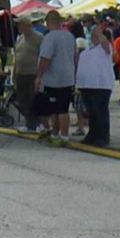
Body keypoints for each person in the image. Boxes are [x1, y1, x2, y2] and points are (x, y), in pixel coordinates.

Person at [32, 12, 77, 147]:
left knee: (54, 110)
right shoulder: (70, 36)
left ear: (47, 22)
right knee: (63, 108)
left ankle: (57, 134)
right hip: (68, 77)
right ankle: (64, 136)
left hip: (53, 78)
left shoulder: (50, 37)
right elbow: (75, 55)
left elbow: (45, 58)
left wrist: (39, 75)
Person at [73, 27, 115, 147]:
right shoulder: (87, 51)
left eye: (96, 37)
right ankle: (93, 134)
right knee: (92, 112)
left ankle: (102, 136)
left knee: (100, 111)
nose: (94, 38)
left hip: (101, 85)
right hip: (86, 85)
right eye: (93, 36)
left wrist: (100, 34)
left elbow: (106, 45)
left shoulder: (105, 49)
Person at [10, 17, 42, 129]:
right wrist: (13, 73)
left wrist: (40, 74)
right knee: (22, 100)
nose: (18, 27)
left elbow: (44, 56)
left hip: (33, 73)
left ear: (27, 25)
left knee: (32, 99)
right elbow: (16, 57)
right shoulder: (20, 39)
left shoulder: (39, 38)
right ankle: (29, 122)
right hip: (20, 73)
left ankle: (35, 123)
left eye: (20, 24)